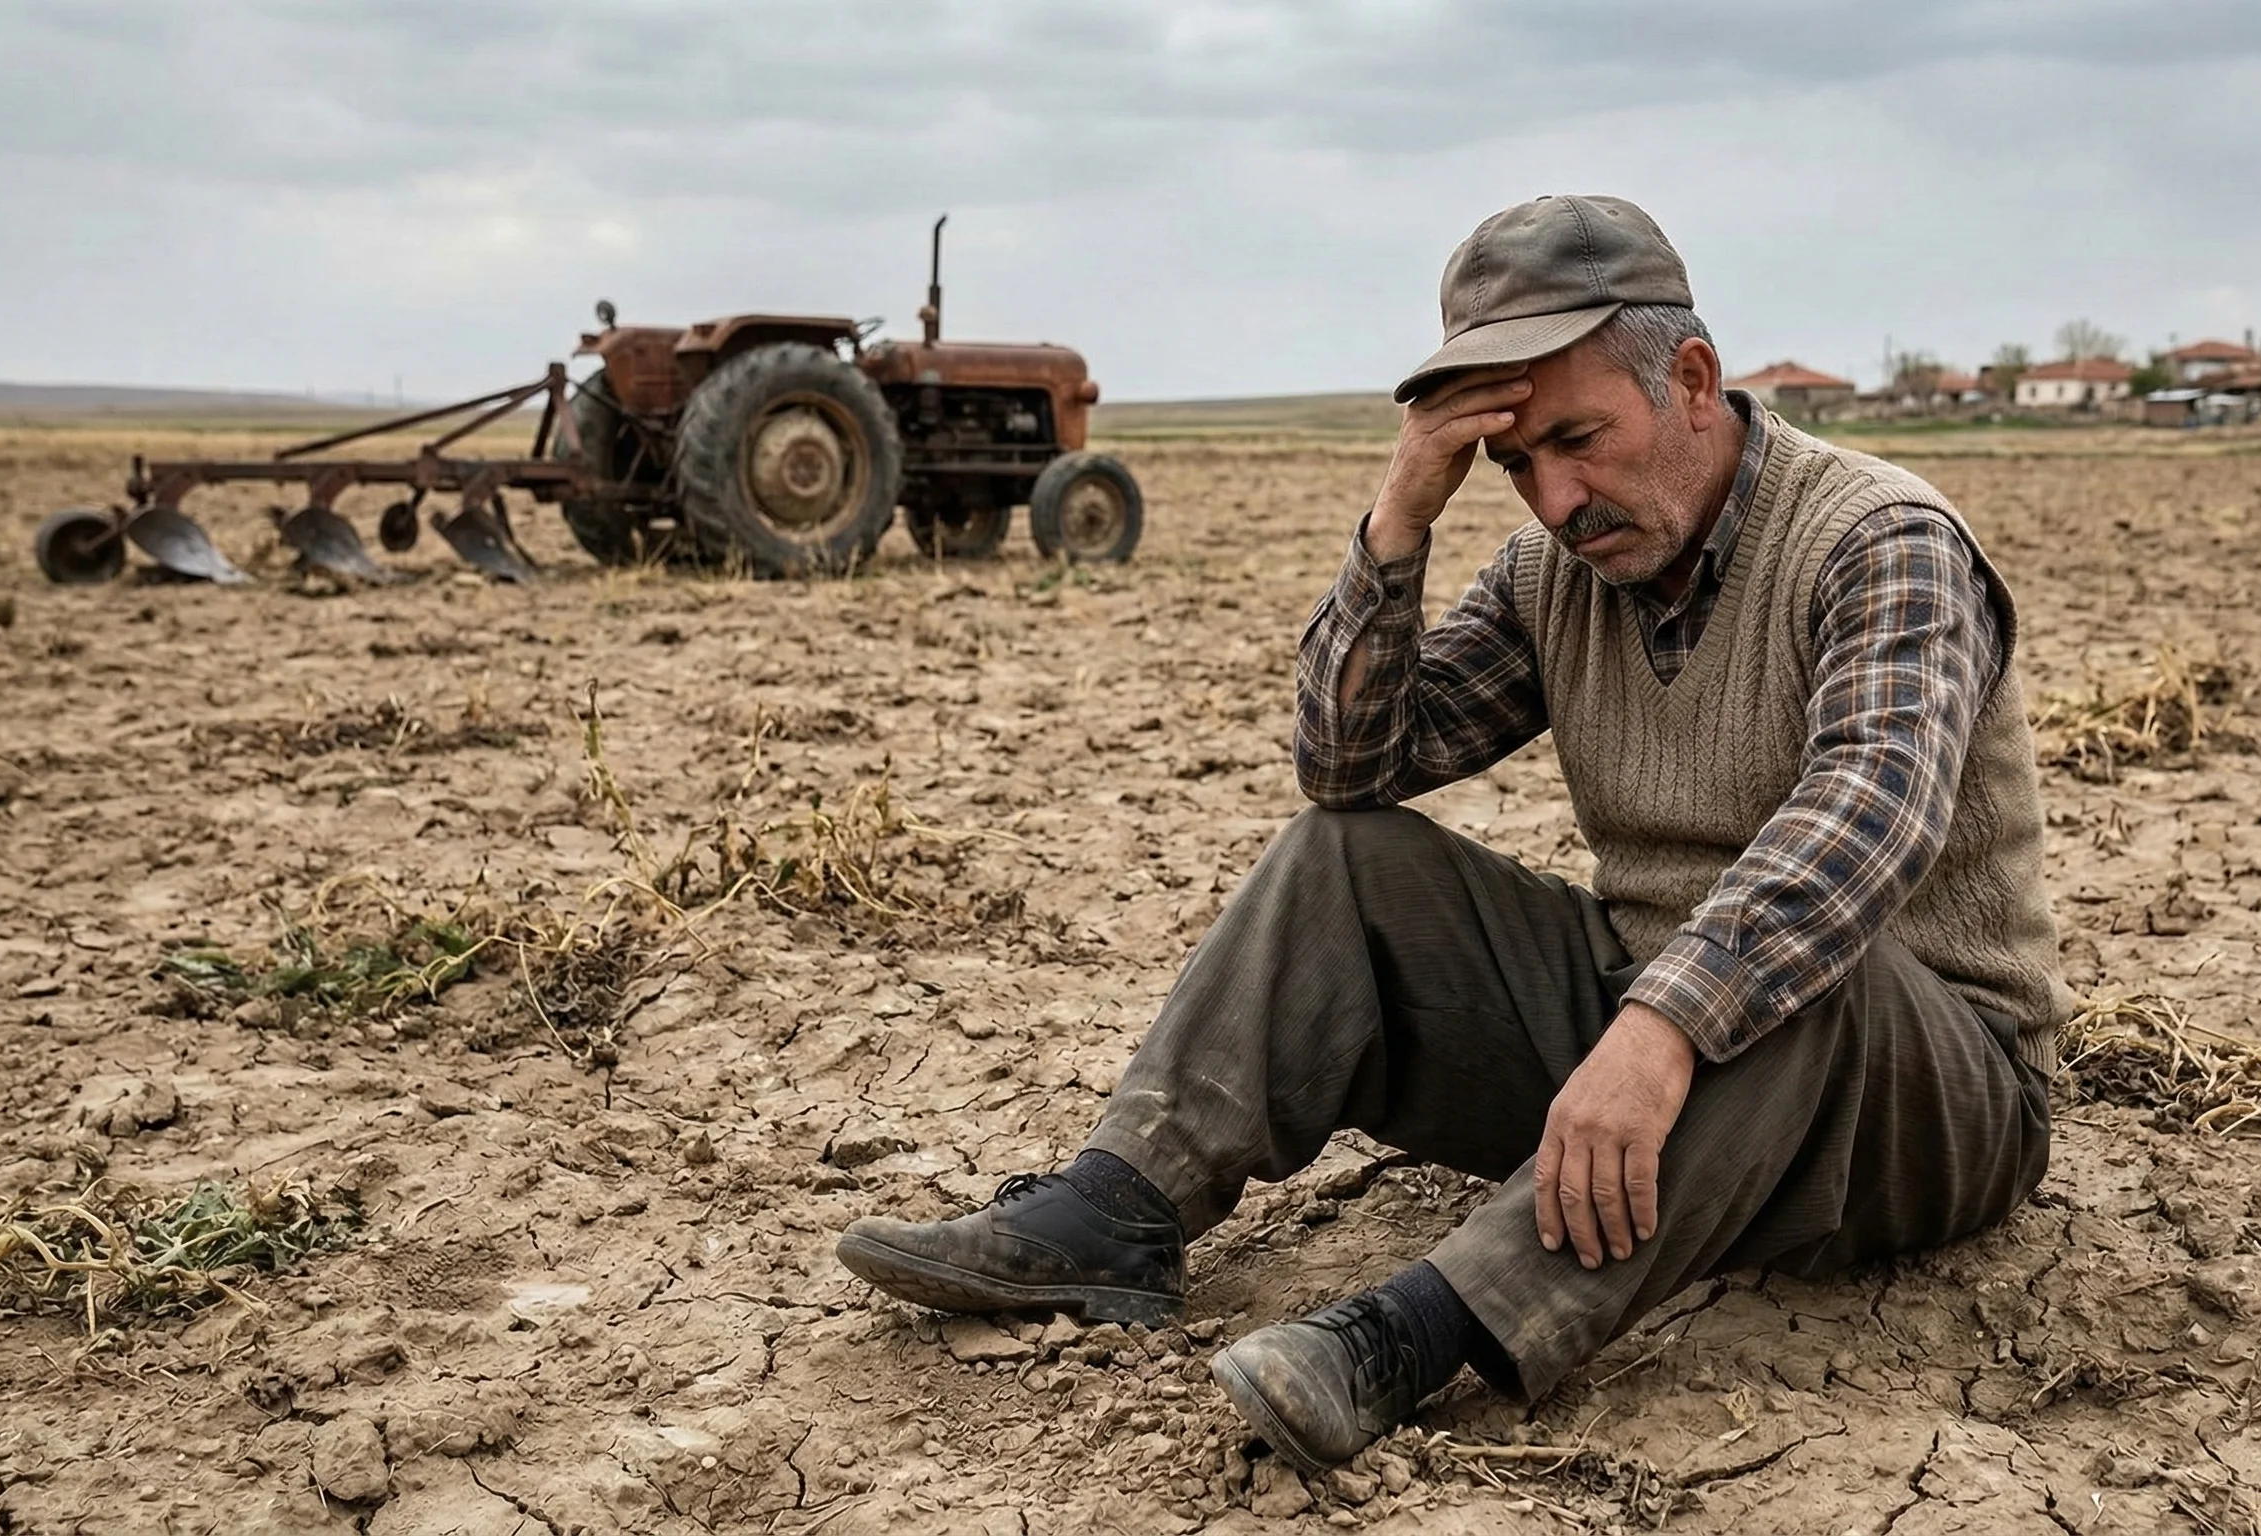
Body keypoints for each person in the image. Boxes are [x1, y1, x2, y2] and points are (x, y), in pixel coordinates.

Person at [837, 194, 2068, 1473]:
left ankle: (1414, 1334)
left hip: (1929, 1092)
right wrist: (1396, 529)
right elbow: (1350, 766)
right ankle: (1112, 1216)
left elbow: (1866, 814)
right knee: (1343, 859)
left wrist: (1660, 1029)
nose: (1555, 498)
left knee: (1802, 967)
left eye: (1578, 439)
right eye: (1514, 461)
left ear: (1693, 379)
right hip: (1649, 1032)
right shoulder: (1558, 571)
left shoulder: (1877, 538)